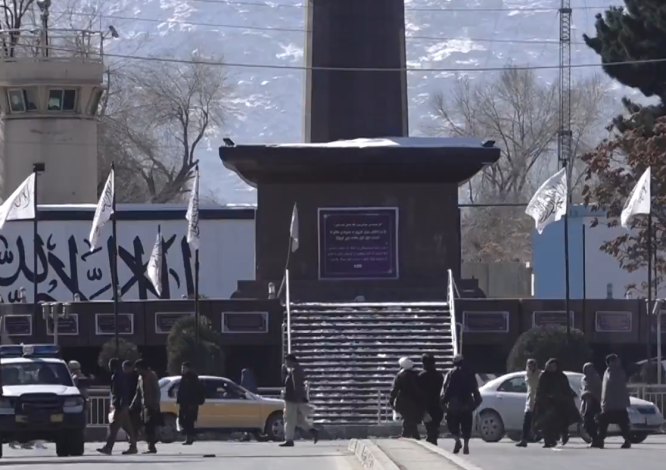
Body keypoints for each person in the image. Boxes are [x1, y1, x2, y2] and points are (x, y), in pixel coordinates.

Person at [533, 358, 579, 448]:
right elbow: (540, 389)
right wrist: (541, 399)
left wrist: (563, 398)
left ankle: (562, 436)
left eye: (554, 366)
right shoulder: (544, 376)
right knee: (545, 423)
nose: (552, 368)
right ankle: (548, 441)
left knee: (559, 423)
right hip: (547, 404)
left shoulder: (561, 377)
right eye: (550, 366)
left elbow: (566, 390)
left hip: (559, 404)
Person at [441, 355, 481, 455]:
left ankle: (457, 440)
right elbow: (475, 389)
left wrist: (443, 401)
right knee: (467, 425)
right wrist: (476, 402)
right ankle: (466, 444)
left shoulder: (451, 373)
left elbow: (447, 388)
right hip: (467, 404)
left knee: (452, 424)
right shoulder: (470, 373)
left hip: (454, 404)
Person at [97, 358, 137, 455]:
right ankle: (133, 446)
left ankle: (108, 447)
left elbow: (120, 392)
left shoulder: (116, 376)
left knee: (114, 427)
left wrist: (119, 405)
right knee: (127, 427)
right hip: (123, 404)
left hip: (120, 405)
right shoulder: (122, 375)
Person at [279, 354, 319, 447]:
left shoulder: (295, 372)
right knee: (298, 420)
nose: (285, 363)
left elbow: (295, 385)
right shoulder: (295, 370)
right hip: (294, 398)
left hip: (291, 399)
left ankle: (289, 440)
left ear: (291, 361)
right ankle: (313, 431)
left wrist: (297, 397)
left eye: (286, 361)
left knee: (288, 418)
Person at [598, 354, 631, 449]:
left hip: (614, 403)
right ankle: (601, 440)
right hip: (612, 404)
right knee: (606, 422)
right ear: (611, 362)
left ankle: (626, 440)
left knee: (620, 423)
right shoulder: (612, 371)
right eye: (616, 360)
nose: (618, 361)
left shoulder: (611, 371)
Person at [131, 359, 162, 454]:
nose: (136, 370)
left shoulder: (152, 375)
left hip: (152, 405)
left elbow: (157, 390)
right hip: (144, 405)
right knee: (144, 425)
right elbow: (138, 392)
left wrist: (156, 403)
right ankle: (151, 443)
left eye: (137, 368)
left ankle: (151, 446)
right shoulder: (140, 377)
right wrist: (133, 404)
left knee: (150, 426)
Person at [389, 357, 424, 439]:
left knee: (407, 418)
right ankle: (414, 435)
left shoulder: (400, 376)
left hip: (403, 401)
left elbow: (395, 389)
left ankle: (406, 434)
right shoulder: (416, 375)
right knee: (411, 419)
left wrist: (392, 400)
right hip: (415, 401)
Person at [418, 354, 444, 445]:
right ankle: (433, 440)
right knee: (435, 426)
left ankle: (431, 441)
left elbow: (418, 392)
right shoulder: (439, 376)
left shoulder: (421, 376)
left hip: (426, 406)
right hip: (438, 405)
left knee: (429, 427)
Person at [177, 361, 204, 445]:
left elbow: (196, 391)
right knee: (183, 421)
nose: (182, 370)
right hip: (184, 403)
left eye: (184, 368)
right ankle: (189, 436)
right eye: (182, 368)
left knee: (189, 421)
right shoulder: (184, 377)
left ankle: (190, 438)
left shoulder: (193, 378)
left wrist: (194, 403)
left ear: (188, 368)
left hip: (191, 403)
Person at [516, 359, 541, 447]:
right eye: (529, 365)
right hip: (530, 400)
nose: (531, 367)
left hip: (538, 400)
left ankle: (545, 438)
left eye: (532, 365)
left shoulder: (539, 375)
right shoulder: (527, 375)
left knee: (539, 421)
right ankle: (524, 439)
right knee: (527, 421)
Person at [580, 362, 603, 448]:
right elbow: (583, 390)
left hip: (594, 402)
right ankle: (595, 439)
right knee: (586, 422)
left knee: (592, 422)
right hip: (586, 402)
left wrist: (589, 394)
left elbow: (596, 390)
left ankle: (597, 440)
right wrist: (583, 395)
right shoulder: (584, 379)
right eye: (586, 369)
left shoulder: (595, 378)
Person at [123, 361, 143, 441]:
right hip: (127, 402)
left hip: (135, 403)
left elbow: (137, 391)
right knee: (127, 422)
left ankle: (133, 438)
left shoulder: (136, 377)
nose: (124, 370)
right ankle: (132, 437)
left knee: (134, 421)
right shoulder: (125, 377)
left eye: (125, 368)